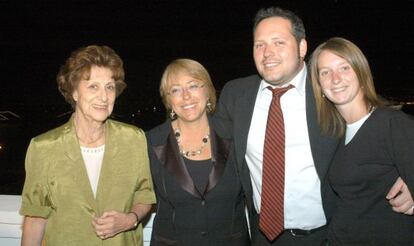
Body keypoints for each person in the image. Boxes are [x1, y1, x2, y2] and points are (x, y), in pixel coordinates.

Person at [214, 6, 414, 246]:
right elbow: (211, 148)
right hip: (261, 237)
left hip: (324, 236)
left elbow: (374, 127)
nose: (268, 52)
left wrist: (406, 175)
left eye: (278, 42)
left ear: (301, 47)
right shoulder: (236, 95)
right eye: (260, 44)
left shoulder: (328, 90)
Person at [19, 45, 156, 246]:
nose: (104, 97)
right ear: (74, 92)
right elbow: (35, 218)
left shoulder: (133, 138)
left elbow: (145, 196)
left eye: (109, 87)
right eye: (93, 86)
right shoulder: (44, 148)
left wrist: (130, 219)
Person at [309, 37, 414, 245]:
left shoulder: (391, 124)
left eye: (344, 68)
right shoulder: (334, 134)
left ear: (361, 72)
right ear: (319, 85)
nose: (335, 78)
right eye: (325, 72)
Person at [146, 58, 250, 246]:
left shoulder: (235, 135)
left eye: (193, 86)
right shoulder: (150, 142)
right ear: (168, 100)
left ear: (208, 91)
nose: (186, 96)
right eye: (176, 90)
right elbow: (136, 193)